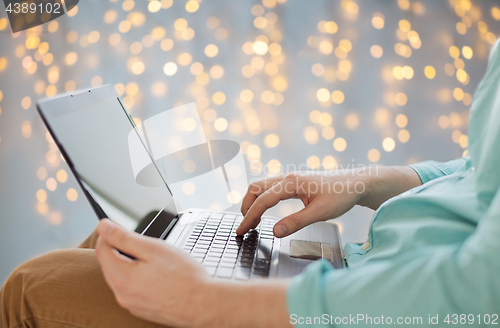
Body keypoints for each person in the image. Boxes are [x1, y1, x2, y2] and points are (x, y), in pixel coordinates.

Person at [2, 40, 500, 328]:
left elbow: (478, 297)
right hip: (369, 273)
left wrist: (207, 299)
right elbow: (478, 171)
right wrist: (362, 180)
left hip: (372, 305)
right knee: (122, 241)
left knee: (34, 284)